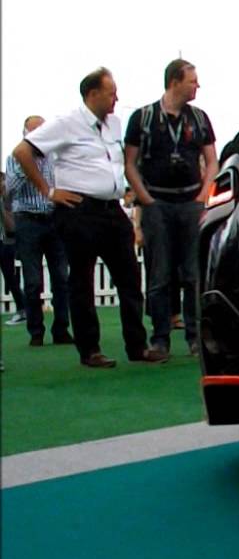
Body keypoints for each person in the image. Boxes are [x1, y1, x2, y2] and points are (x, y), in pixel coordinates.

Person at [12, 67, 167, 367]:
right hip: (79, 209)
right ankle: (90, 349)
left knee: (130, 277)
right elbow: (22, 152)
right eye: (111, 93)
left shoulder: (114, 124)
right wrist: (48, 190)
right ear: (93, 94)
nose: (116, 99)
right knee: (82, 280)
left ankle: (137, 346)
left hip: (111, 208)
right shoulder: (66, 123)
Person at [123, 59, 217, 357]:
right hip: (157, 202)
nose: (197, 86)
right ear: (175, 82)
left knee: (193, 273)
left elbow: (212, 161)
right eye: (192, 80)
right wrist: (146, 199)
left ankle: (195, 338)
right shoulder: (143, 118)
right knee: (159, 273)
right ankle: (160, 339)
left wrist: (202, 196)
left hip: (190, 202)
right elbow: (129, 163)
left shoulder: (199, 118)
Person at [5, 115, 73, 345]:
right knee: (33, 281)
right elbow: (10, 189)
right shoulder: (14, 158)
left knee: (61, 278)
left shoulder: (55, 157)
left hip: (54, 220)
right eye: (33, 132)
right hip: (28, 221)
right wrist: (28, 162)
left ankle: (61, 329)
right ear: (25, 134)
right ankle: (36, 331)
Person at [0, 165, 26, 325]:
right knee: (10, 276)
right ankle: (23, 308)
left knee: (11, 276)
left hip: (10, 239)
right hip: (6, 239)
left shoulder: (8, 197)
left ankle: (23, 309)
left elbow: (11, 226)